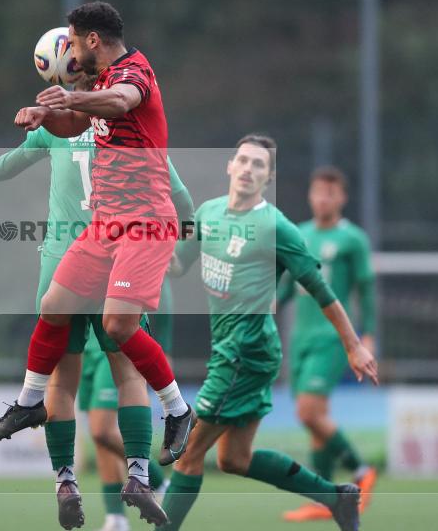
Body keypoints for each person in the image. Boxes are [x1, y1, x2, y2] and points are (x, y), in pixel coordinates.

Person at [0, 1, 196, 524]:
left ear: (92, 40)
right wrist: (46, 115)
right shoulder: (96, 84)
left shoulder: (133, 73)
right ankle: (29, 402)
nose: (71, 50)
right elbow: (74, 122)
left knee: (118, 326)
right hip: (105, 224)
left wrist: (71, 96)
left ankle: (177, 409)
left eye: (74, 41)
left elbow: (121, 102)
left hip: (144, 221)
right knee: (53, 305)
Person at [161, 136, 378, 531]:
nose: (248, 169)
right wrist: (142, 244)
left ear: (268, 177)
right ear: (230, 166)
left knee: (188, 453)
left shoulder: (275, 226)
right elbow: (177, 264)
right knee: (234, 459)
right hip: (236, 351)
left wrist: (354, 345)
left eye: (258, 164)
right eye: (243, 160)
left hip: (244, 354)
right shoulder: (208, 213)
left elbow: (320, 290)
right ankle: (337, 497)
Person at [276, 166, 378, 521]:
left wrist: (368, 336)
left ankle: (361, 470)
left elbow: (366, 290)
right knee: (314, 417)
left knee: (308, 411)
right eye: (319, 191)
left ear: (342, 198)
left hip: (333, 338)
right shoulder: (299, 234)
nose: (323, 198)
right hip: (300, 338)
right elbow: (287, 286)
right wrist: (266, 307)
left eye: (331, 193)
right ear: (310, 195)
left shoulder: (353, 239)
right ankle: (326, 499)